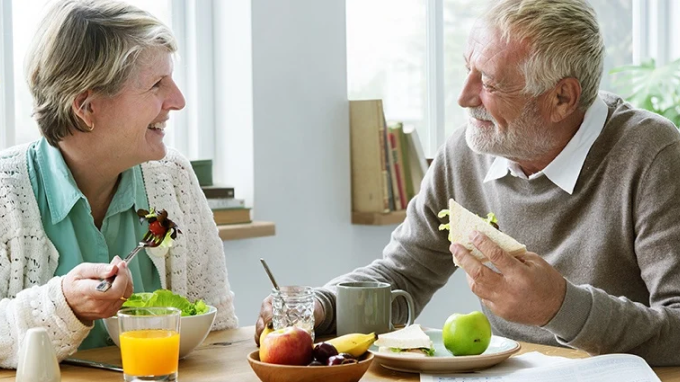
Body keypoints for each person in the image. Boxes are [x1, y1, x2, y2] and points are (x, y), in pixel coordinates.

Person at [256, 0, 680, 366]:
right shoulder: (467, 150)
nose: (463, 96)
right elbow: (403, 274)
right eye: (467, 71)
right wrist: (324, 304)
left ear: (562, 98)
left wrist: (560, 307)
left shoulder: (654, 155)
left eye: (489, 82)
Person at [0, 0, 237, 368]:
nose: (178, 100)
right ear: (86, 107)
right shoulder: (5, 191)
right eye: (157, 84)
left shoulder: (173, 178)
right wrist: (63, 304)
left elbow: (218, 328)